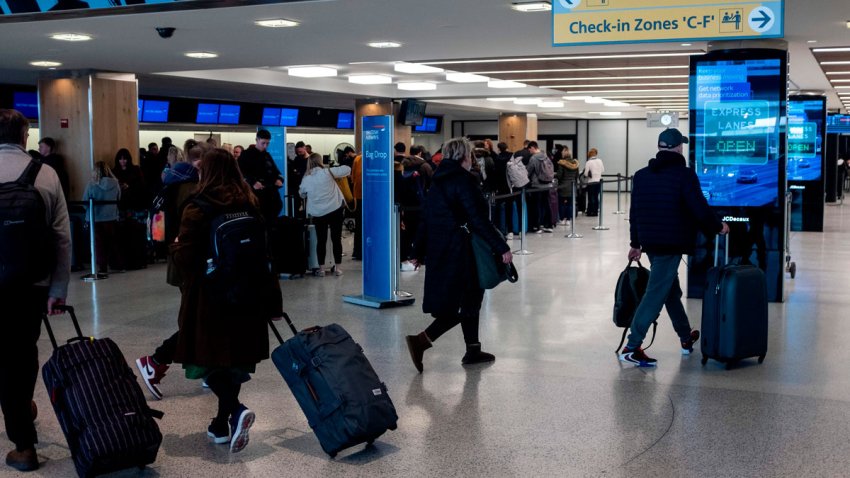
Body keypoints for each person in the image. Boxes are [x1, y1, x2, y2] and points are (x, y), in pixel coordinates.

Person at [170, 148, 282, 453]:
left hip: (211, 297)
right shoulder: (250, 203)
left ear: (206, 172)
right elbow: (265, 253)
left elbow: (187, 257)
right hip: (249, 293)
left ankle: (234, 410)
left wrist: (175, 247)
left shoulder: (198, 206)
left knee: (205, 360)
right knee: (233, 362)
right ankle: (220, 425)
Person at [0, 109, 71, 473]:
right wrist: (58, 289)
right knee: (22, 353)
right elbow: (61, 237)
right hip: (32, 284)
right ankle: (23, 418)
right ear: (25, 136)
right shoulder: (45, 174)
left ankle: (23, 437)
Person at [621, 128, 729, 367]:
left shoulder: (641, 175)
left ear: (660, 147)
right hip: (671, 243)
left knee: (670, 291)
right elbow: (699, 208)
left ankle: (685, 337)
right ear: (679, 148)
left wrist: (636, 243)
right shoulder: (684, 175)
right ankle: (632, 345)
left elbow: (634, 213)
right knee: (656, 293)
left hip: (651, 242)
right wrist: (717, 226)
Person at [404, 137, 512, 373]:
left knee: (466, 300)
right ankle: (421, 341)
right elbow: (477, 219)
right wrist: (501, 246)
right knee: (466, 302)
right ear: (465, 156)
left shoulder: (437, 180)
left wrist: (417, 251)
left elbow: (426, 218)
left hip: (442, 250)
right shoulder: (463, 181)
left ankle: (473, 349)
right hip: (463, 251)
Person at [135, 143, 208, 401]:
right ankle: (155, 361)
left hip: (178, 260)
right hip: (191, 263)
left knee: (195, 314)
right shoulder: (191, 192)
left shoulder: (170, 185)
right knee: (196, 318)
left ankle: (205, 367)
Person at [299, 153, 350, 277]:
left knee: (321, 241)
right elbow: (347, 169)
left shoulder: (306, 178)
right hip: (335, 210)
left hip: (318, 213)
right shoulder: (328, 172)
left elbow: (302, 194)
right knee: (336, 239)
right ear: (320, 161)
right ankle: (337, 268)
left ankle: (321, 269)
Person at [83, 161, 122, 273]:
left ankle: (102, 267)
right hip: (111, 217)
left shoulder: (91, 184)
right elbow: (119, 198)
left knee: (98, 244)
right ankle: (116, 264)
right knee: (112, 242)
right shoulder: (115, 183)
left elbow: (85, 201)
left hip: (95, 218)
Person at [238, 130, 283, 222]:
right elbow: (241, 173)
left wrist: (279, 179)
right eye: (263, 143)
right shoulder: (246, 154)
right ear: (257, 140)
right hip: (256, 196)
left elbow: (276, 171)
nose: (265, 146)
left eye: (267, 143)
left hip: (271, 197)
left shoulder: (267, 155)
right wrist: (253, 182)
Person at [525, 141, 554, 233]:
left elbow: (528, 171)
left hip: (537, 185)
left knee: (536, 206)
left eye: (529, 150)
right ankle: (548, 225)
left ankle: (536, 226)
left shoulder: (533, 158)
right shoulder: (546, 156)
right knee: (547, 204)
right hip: (547, 184)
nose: (529, 152)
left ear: (533, 148)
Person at [112, 148, 147, 214]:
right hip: (120, 201)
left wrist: (129, 186)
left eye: (124, 159)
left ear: (128, 159)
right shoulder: (114, 171)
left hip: (134, 199)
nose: (122, 161)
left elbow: (142, 183)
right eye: (120, 159)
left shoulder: (135, 169)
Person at [555, 147, 579, 226]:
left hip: (563, 187)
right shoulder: (575, 164)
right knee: (570, 204)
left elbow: (559, 176)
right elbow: (577, 176)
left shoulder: (562, 163)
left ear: (563, 154)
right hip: (572, 187)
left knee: (562, 204)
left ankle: (562, 219)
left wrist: (555, 175)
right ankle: (568, 219)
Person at [288, 141, 309, 217]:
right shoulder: (297, 159)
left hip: (307, 186)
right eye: (297, 152)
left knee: (308, 205)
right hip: (297, 186)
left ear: (304, 148)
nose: (299, 153)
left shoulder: (310, 160)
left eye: (300, 151)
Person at [584, 148, 605, 216]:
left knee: (591, 197)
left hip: (591, 181)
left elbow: (586, 174)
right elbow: (602, 170)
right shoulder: (600, 161)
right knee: (596, 197)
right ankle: (596, 211)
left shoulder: (588, 162)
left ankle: (590, 211)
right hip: (599, 181)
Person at [351, 152, 363, 261]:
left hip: (359, 196)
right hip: (373, 198)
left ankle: (358, 251)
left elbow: (353, 178)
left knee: (359, 224)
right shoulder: (378, 159)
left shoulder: (357, 159)